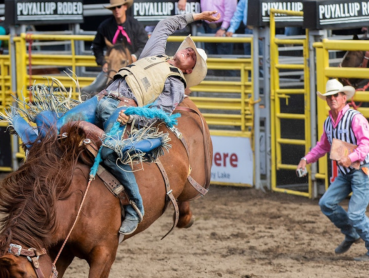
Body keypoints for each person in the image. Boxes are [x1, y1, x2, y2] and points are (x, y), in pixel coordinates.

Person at [14, 11, 219, 235]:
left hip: (121, 108)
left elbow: (161, 111)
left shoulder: (176, 82)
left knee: (111, 149)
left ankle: (135, 206)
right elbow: (165, 25)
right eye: (189, 49)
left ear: (188, 70)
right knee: (58, 130)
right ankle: (36, 144)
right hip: (101, 99)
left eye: (192, 57)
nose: (189, 51)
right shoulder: (155, 54)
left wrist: (133, 116)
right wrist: (197, 16)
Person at [297, 79, 369, 262]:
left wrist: (350, 157)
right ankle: (352, 234)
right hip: (347, 172)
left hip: (363, 169)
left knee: (354, 213)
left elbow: (367, 144)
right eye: (329, 96)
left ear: (344, 98)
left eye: (335, 95)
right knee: (326, 203)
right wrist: (306, 159)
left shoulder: (355, 118)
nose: (332, 99)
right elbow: (323, 146)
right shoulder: (329, 123)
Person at [91, 0, 149, 74]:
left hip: (134, 67)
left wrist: (135, 56)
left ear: (125, 7)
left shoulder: (136, 25)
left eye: (119, 6)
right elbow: (96, 46)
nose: (116, 10)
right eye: (113, 8)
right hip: (112, 68)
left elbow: (144, 45)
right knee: (99, 84)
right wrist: (104, 62)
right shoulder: (105, 26)